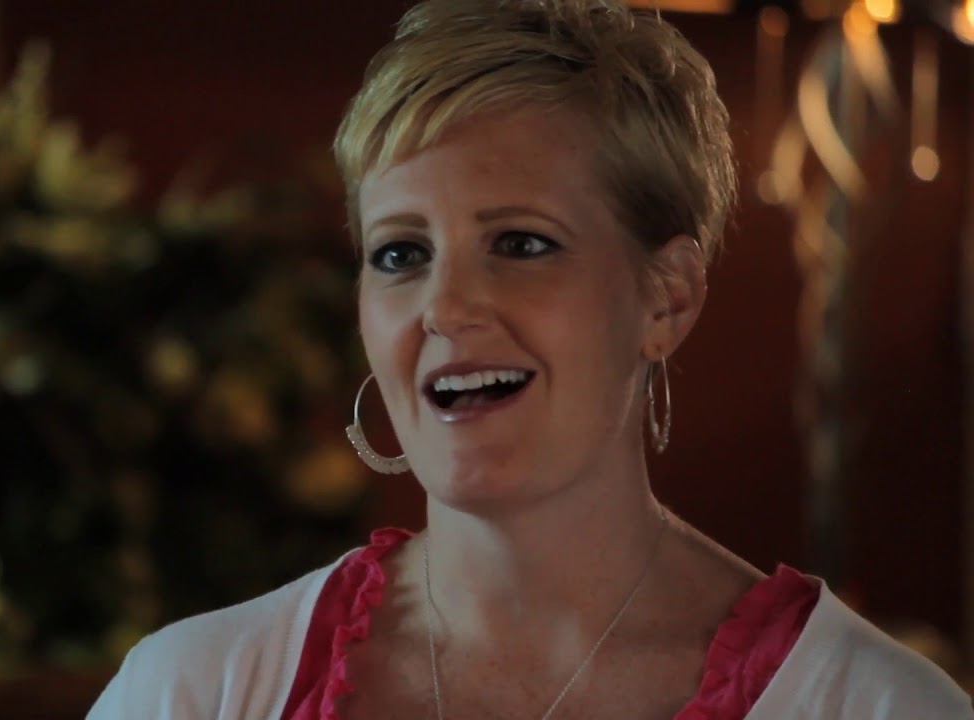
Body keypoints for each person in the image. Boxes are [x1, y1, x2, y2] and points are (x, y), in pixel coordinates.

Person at [88, 0, 973, 717]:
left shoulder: (875, 707)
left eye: (520, 243)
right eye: (401, 253)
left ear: (667, 297)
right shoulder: (189, 692)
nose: (445, 307)